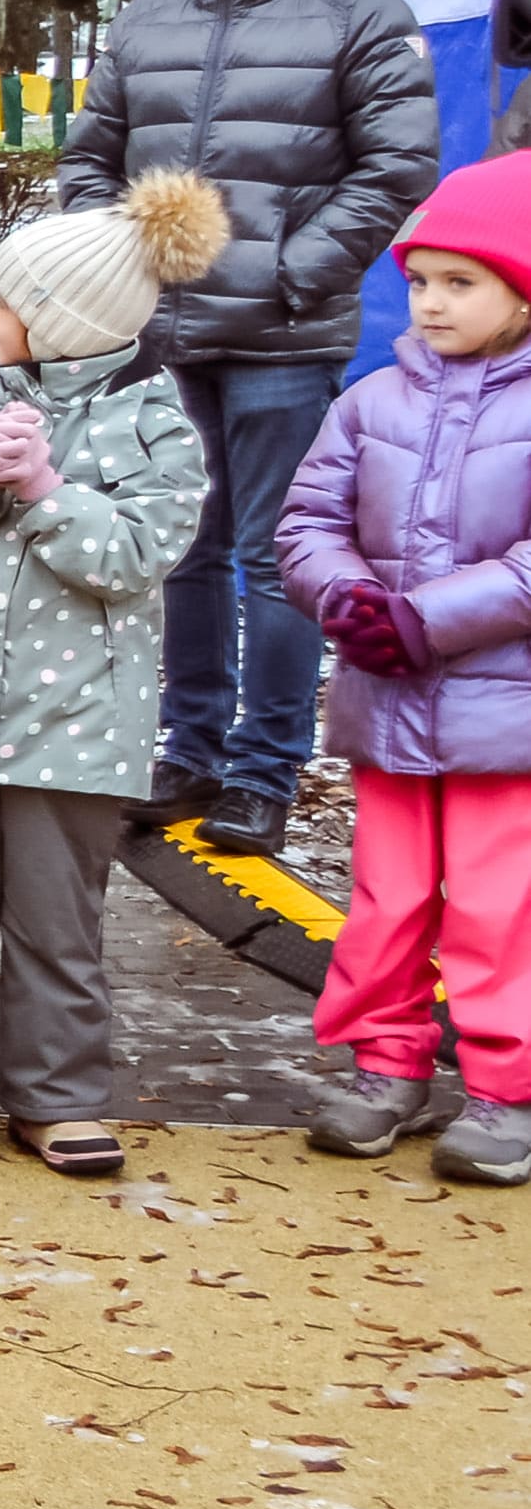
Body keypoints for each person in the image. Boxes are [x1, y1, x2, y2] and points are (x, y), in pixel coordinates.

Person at [64, 0, 444, 854]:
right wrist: (113, 259)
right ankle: (187, 747)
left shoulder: (360, 16)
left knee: (273, 559)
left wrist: (293, 270)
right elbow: (87, 157)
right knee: (178, 546)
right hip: (158, 334)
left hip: (282, 337)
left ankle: (261, 771)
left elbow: (397, 165)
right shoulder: (143, 22)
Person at [0, 174, 223, 1179]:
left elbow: (130, 556)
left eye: (8, 302)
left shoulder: (154, 424)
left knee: (54, 918)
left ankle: (54, 1093)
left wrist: (43, 490)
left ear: (63, 321)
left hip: (75, 726)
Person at [278, 152, 531, 1185]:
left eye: (458, 281)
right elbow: (304, 522)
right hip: (386, 710)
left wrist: (424, 618)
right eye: (419, 278)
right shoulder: (369, 400)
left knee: (493, 903)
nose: (428, 301)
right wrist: (346, 600)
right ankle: (386, 1060)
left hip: (500, 717)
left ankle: (501, 1085)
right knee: (384, 898)